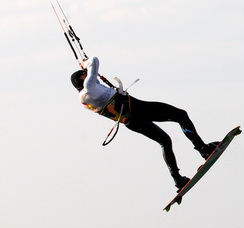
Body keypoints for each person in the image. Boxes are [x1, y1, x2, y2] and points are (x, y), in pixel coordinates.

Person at [70, 56, 218, 190]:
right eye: (85, 75)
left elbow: (94, 79)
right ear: (83, 78)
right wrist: (86, 63)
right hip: (138, 109)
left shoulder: (84, 98)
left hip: (131, 122)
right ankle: (203, 149)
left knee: (165, 142)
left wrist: (86, 70)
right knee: (180, 115)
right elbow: (94, 61)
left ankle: (178, 180)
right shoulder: (89, 87)